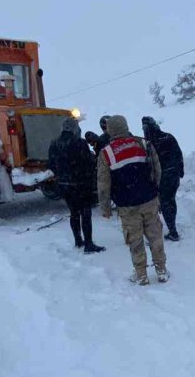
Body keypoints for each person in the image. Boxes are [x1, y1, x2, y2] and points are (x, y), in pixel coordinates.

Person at [97, 115, 168, 285]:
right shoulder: (143, 144)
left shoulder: (106, 153)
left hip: (127, 204)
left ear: (110, 130)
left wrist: (105, 208)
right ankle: (161, 270)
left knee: (134, 240)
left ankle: (141, 274)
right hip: (149, 199)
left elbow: (103, 184)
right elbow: (157, 169)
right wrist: (155, 190)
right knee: (155, 235)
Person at [48, 118, 105, 254]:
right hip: (80, 184)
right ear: (74, 128)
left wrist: (61, 175)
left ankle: (78, 241)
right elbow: (88, 163)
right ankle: (89, 244)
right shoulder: (80, 143)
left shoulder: (54, 143)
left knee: (74, 213)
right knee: (86, 213)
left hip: (64, 184)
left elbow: (50, 164)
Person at [141, 116, 184, 241]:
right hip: (173, 175)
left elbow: (149, 163)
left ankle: (172, 231)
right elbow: (178, 154)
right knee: (170, 201)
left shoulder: (149, 143)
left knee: (164, 202)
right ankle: (172, 228)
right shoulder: (167, 137)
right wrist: (180, 171)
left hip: (163, 177)